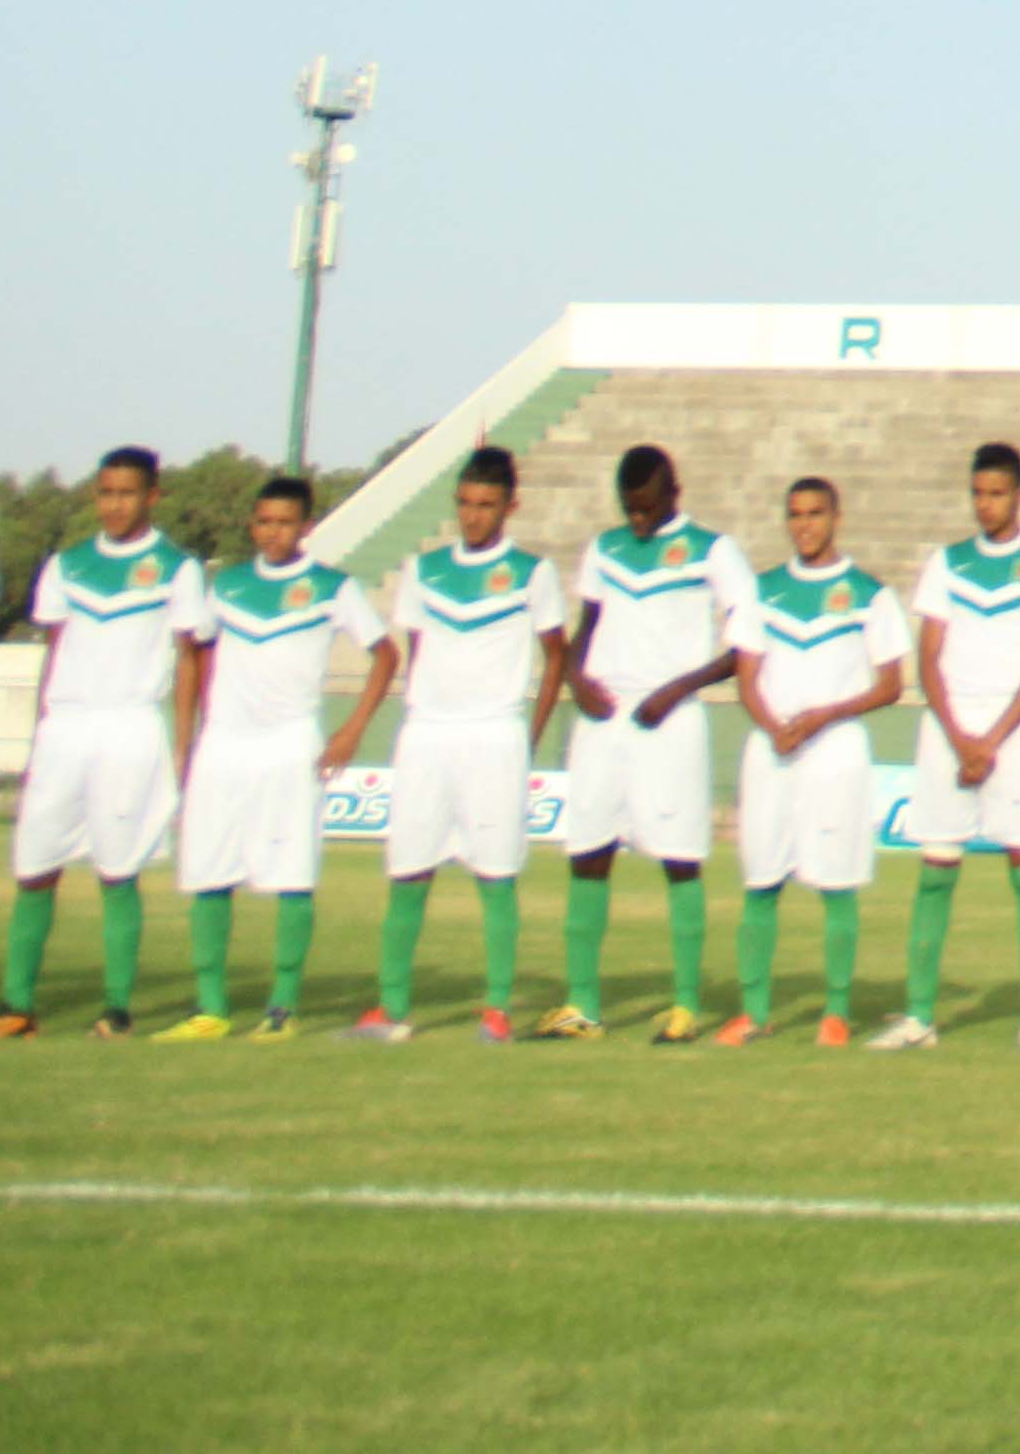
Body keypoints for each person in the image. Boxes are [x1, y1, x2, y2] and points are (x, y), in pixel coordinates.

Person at [0, 448, 201, 1037]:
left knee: (117, 868)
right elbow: (55, 647)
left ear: (152, 496)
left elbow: (191, 659)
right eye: (105, 492)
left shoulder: (178, 569)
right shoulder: (66, 565)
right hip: (66, 728)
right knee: (35, 866)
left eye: (127, 493)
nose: (115, 504)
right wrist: (42, 725)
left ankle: (117, 1008)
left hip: (129, 726)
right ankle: (16, 1006)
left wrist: (183, 744)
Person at [162, 472, 394, 1040]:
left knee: (292, 875)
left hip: (291, 743)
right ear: (252, 524)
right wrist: (186, 741)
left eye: (285, 522)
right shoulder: (226, 586)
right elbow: (194, 658)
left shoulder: (332, 587)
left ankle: (281, 1009)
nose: (273, 532)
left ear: (306, 527)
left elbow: (386, 654)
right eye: (264, 521)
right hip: (224, 743)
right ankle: (210, 1008)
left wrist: (351, 730)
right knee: (208, 871)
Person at [349, 445, 567, 1041]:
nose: (473, 516)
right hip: (427, 736)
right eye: (465, 504)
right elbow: (419, 652)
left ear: (510, 506)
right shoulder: (423, 571)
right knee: (408, 871)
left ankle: (497, 1009)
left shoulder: (532, 573)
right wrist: (424, 709)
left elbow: (557, 657)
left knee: (495, 873)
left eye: (486, 505)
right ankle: (392, 1009)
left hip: (495, 736)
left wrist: (530, 729)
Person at [881, 440, 1020, 1053]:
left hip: (1018, 731)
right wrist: (959, 736)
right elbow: (928, 656)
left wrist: (991, 739)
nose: (985, 505)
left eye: (996, 494)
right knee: (937, 870)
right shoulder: (947, 563)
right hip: (951, 731)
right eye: (977, 493)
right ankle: (919, 1017)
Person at [553, 443, 757, 1045]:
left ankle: (686, 1004)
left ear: (674, 493)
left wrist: (678, 689)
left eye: (645, 508)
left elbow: (745, 644)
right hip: (603, 719)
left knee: (679, 857)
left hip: (669, 718)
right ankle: (582, 1004)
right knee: (588, 853)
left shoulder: (713, 552)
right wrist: (575, 679)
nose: (636, 520)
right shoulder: (605, 549)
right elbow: (583, 629)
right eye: (629, 509)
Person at [717, 473, 906, 1049]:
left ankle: (836, 1013)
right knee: (761, 880)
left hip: (836, 752)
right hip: (773, 752)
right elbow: (746, 678)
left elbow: (892, 683)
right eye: (795, 515)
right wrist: (775, 727)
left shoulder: (871, 595)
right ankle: (754, 1012)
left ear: (836, 517)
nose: (805, 525)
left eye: (816, 514)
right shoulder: (761, 590)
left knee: (837, 880)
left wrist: (825, 715)